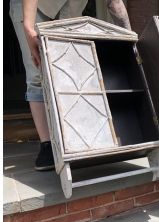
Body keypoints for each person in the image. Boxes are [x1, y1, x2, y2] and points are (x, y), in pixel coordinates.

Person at [10, 0, 131, 171]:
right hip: (31, 8)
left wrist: (129, 37)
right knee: (38, 72)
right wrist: (29, 28)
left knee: (71, 72)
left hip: (68, 11)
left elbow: (115, 2)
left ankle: (71, 140)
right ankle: (47, 146)